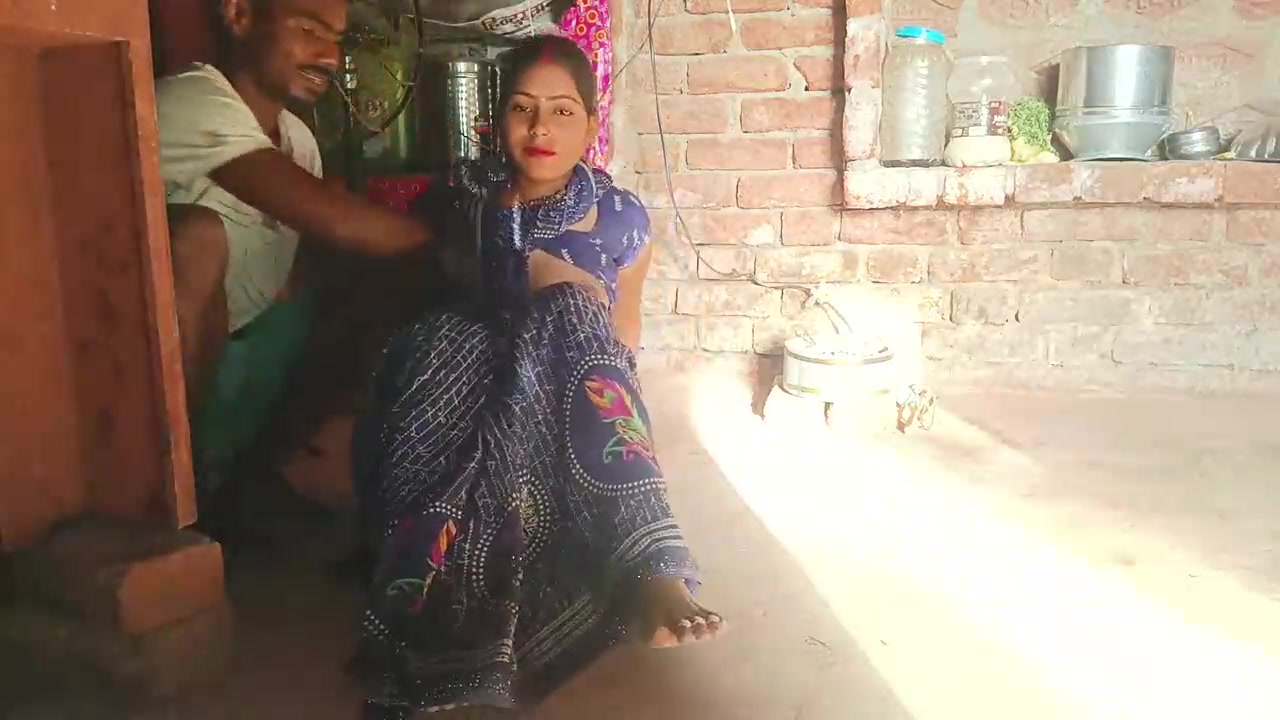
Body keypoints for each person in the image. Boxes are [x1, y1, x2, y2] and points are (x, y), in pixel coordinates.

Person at [351, 35, 724, 718]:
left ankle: (653, 567)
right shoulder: (461, 197)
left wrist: (562, 325)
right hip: (463, 376)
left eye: (562, 111)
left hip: (564, 386)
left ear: (591, 121)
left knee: (572, 307)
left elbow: (622, 339)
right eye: (523, 108)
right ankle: (444, 615)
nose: (541, 129)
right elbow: (417, 296)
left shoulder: (621, 218)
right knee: (452, 337)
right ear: (498, 119)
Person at [155, 0, 430, 515]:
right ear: (239, 15)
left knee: (358, 284)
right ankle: (177, 501)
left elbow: (312, 263)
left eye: (337, 40)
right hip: (167, 385)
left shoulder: (297, 138)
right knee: (199, 236)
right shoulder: (191, 99)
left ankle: (263, 479)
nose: (329, 57)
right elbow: (337, 219)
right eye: (308, 29)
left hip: (247, 365)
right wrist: (471, 245)